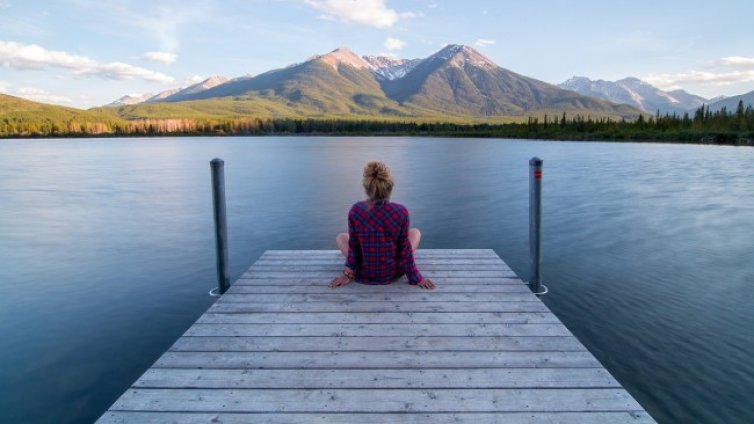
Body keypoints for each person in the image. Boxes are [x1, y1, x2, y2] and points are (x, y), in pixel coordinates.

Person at [329, 161, 436, 290]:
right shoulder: (401, 212)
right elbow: (405, 250)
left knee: (341, 237)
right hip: (392, 273)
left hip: (364, 271)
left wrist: (348, 274)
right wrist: (416, 277)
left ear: (367, 188)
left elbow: (354, 248)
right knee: (415, 233)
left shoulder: (356, 210)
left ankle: (358, 268)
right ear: (390, 187)